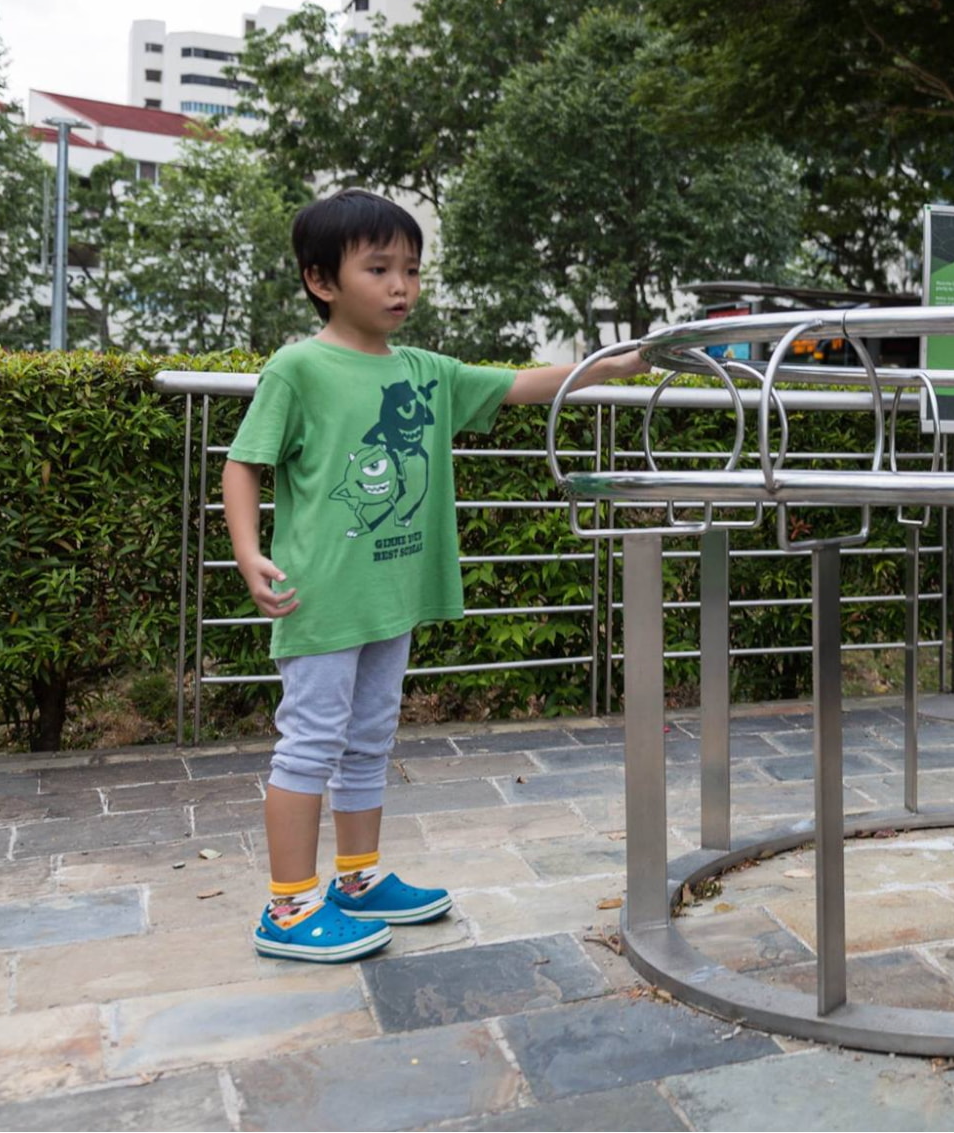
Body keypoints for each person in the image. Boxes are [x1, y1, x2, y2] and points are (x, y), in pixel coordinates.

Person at [222, 189, 647, 961]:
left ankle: (356, 879)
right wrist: (249, 553)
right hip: (318, 593)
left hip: (392, 592)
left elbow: (518, 383)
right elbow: (243, 464)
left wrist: (615, 364)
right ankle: (286, 909)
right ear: (322, 280)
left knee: (369, 738)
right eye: (379, 267)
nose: (401, 286)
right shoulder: (299, 367)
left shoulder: (425, 371)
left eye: (411, 270)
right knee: (310, 742)